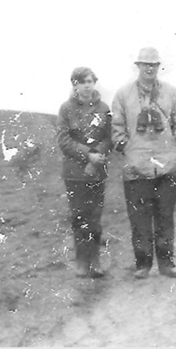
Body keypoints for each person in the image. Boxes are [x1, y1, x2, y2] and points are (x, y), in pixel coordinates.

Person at [111, 47, 176, 279]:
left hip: (167, 165)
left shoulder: (171, 92)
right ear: (137, 66)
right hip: (136, 168)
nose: (149, 68)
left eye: (153, 64)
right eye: (145, 64)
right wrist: (127, 148)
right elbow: (117, 127)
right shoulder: (123, 94)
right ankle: (143, 264)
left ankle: (166, 264)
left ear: (159, 67)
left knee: (165, 215)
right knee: (140, 218)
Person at [57, 67, 113, 278]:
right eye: (82, 82)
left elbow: (109, 138)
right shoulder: (66, 109)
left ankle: (95, 261)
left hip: (97, 172)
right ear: (75, 85)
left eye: (90, 81)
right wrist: (87, 155)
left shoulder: (104, 108)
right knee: (79, 217)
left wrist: (97, 155)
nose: (87, 85)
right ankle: (81, 262)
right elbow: (64, 140)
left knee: (95, 218)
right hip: (74, 174)